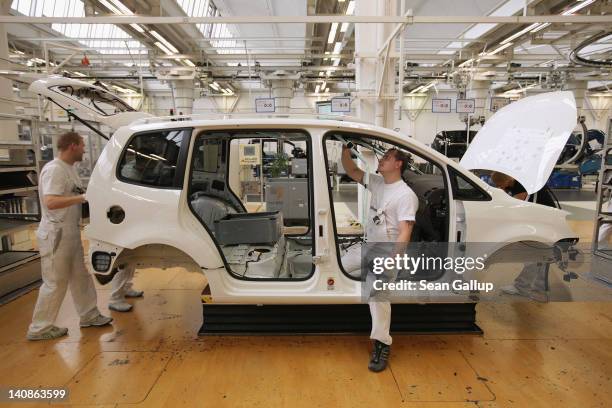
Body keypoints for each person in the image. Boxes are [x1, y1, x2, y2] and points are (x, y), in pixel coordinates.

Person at [27, 132, 112, 340]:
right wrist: (82, 198)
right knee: (55, 282)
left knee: (80, 277)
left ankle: (89, 315)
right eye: (83, 146)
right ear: (72, 146)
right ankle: (40, 328)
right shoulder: (55, 170)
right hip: (56, 233)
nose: (85, 150)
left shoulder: (69, 169)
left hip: (70, 232)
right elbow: (51, 202)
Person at [340, 145, 418, 372]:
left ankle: (382, 343)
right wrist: (346, 149)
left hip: (387, 253)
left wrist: (392, 262)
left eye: (387, 157)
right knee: (337, 269)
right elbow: (352, 171)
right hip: (368, 247)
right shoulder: (378, 182)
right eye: (382, 157)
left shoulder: (405, 195)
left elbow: (405, 232)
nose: (381, 160)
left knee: (378, 295)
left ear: (398, 164)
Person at [491, 172, 549, 302]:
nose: (500, 187)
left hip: (545, 221)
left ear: (507, 180)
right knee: (532, 256)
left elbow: (515, 204)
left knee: (540, 256)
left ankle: (539, 291)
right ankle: (522, 286)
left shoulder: (523, 185)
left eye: (500, 185)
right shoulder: (512, 184)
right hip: (536, 219)